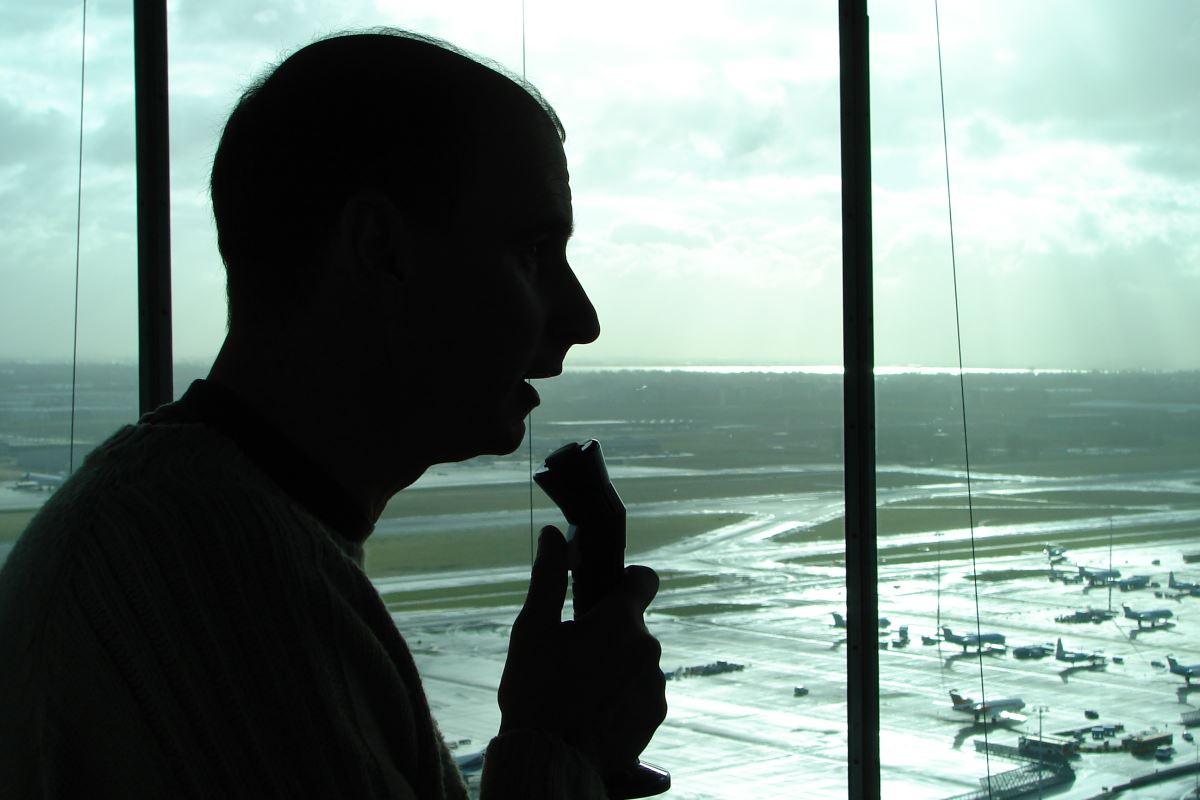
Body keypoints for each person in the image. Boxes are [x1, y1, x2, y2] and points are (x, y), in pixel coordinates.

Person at [0, 29, 666, 798]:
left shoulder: (204, 534)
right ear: (380, 250)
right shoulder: (219, 592)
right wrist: (562, 748)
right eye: (533, 251)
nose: (581, 318)